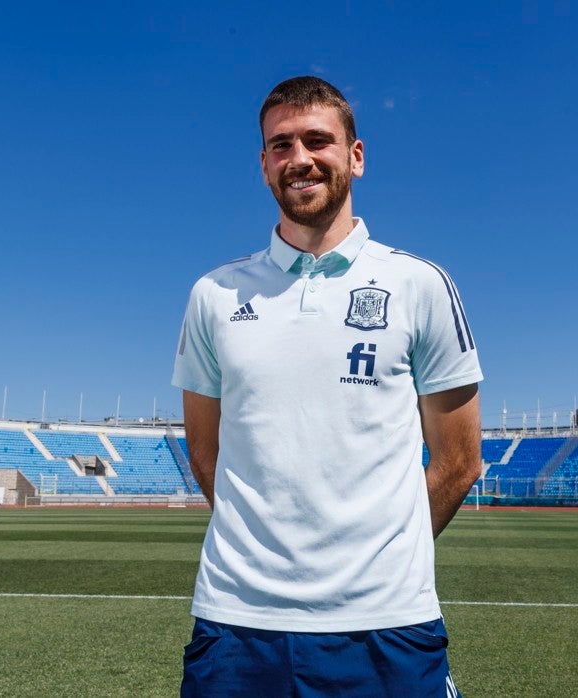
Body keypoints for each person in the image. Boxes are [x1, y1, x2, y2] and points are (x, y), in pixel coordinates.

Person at [171, 75, 483, 697]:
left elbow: (459, 462)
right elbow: (206, 454)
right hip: (238, 625)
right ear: (263, 165)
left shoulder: (420, 285)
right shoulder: (213, 296)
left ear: (355, 157)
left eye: (318, 140)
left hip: (388, 625)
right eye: (281, 145)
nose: (300, 159)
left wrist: (380, 563)